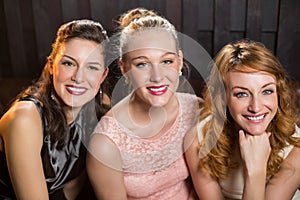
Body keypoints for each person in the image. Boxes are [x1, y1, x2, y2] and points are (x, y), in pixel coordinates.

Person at [86, 8, 199, 200]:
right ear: (124, 69)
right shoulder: (106, 143)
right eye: (142, 64)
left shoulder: (196, 109)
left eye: (166, 61)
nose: (157, 77)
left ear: (179, 62)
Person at [0, 19, 109, 199]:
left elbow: (68, 191)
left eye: (92, 67)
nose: (79, 77)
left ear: (102, 76)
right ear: (51, 66)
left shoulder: (95, 113)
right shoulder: (24, 117)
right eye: (68, 63)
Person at [185, 39, 300, 199]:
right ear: (223, 97)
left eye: (266, 91)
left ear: (278, 93)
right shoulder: (199, 140)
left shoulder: (295, 145)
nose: (256, 107)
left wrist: (256, 170)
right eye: (242, 94)